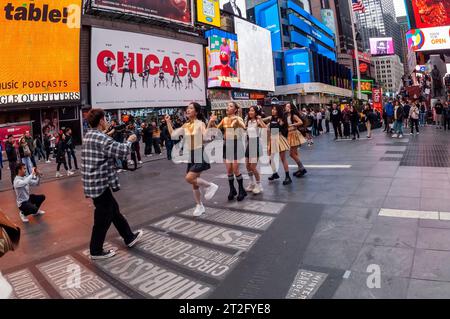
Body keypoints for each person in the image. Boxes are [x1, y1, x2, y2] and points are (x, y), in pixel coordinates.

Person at [81, 108, 143, 260]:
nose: (107, 122)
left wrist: (109, 133)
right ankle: (95, 250)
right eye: (105, 119)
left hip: (94, 182)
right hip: (99, 183)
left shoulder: (90, 135)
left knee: (114, 210)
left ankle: (129, 237)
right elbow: (121, 151)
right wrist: (130, 140)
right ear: (101, 120)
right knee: (103, 218)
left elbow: (102, 141)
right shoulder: (101, 138)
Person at [165, 103, 219, 216]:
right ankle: (199, 206)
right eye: (187, 108)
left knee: (189, 178)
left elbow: (205, 138)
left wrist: (209, 122)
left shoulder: (200, 123)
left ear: (196, 112)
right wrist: (168, 122)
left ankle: (210, 186)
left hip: (199, 153)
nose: (188, 110)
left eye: (191, 108)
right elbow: (173, 135)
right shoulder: (186, 125)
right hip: (191, 154)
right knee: (194, 183)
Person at [208, 102, 248, 200]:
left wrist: (238, 121)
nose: (228, 108)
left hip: (236, 145)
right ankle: (232, 190)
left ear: (235, 109)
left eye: (230, 106)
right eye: (228, 106)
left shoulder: (238, 118)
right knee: (229, 170)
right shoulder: (225, 119)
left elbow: (244, 127)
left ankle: (241, 190)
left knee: (235, 169)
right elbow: (216, 129)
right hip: (227, 145)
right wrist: (212, 122)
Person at [263, 105, 292, 185]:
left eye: (275, 109)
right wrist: (258, 119)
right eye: (272, 109)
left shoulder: (281, 119)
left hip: (279, 138)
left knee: (283, 159)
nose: (273, 110)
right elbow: (264, 123)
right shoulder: (271, 118)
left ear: (278, 111)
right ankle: (275, 173)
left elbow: (282, 128)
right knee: (270, 159)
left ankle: (287, 177)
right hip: (273, 139)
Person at [244, 106, 266, 194]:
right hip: (249, 143)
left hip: (255, 143)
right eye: (249, 110)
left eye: (252, 110)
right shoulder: (248, 121)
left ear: (256, 112)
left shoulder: (257, 121)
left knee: (253, 167)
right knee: (247, 166)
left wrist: (260, 120)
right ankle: (252, 183)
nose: (250, 112)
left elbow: (265, 128)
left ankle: (259, 185)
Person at [285, 103, 307, 177]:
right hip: (290, 134)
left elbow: (300, 122)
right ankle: (300, 169)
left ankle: (302, 167)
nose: (286, 107)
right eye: (286, 106)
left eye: (288, 106)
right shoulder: (286, 116)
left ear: (291, 108)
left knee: (291, 154)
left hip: (294, 134)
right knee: (295, 153)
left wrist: (292, 125)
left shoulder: (293, 116)